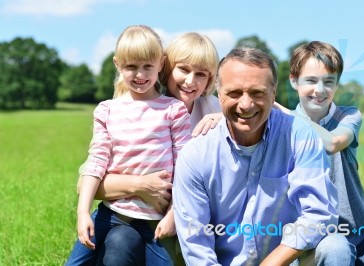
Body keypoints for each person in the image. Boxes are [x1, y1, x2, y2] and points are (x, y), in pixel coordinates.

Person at [172, 46, 341, 265]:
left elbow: (319, 215)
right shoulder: (196, 154)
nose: (245, 104)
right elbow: (196, 245)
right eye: (234, 93)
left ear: (273, 92)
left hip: (286, 262)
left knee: (335, 247)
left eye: (257, 93)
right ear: (218, 93)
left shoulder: (299, 135)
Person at [66, 32, 220, 265]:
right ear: (167, 66)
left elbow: (266, 110)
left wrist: (225, 117)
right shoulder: (116, 109)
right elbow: (93, 168)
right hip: (120, 213)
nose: (190, 81)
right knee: (112, 246)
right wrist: (142, 186)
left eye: (201, 74)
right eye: (184, 70)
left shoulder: (207, 109)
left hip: (184, 217)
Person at [274, 41, 364, 265]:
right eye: (311, 80)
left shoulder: (347, 116)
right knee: (336, 249)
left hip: (363, 236)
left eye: (328, 82)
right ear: (294, 80)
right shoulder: (281, 128)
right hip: (313, 242)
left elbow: (333, 143)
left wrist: (286, 113)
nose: (320, 90)